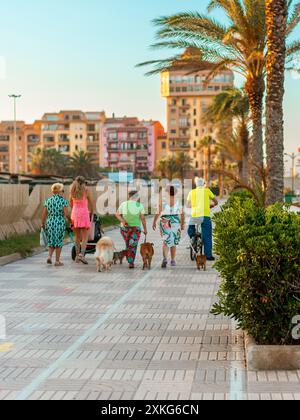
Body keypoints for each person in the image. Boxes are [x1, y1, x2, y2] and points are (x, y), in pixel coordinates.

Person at [152, 186, 185, 268]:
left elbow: (158, 211)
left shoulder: (163, 201)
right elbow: (182, 213)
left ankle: (165, 258)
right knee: (173, 241)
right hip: (175, 222)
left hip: (164, 221)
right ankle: (173, 260)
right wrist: (182, 224)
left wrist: (154, 222)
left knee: (165, 241)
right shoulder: (178, 201)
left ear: (167, 192)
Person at [187, 178, 218, 261]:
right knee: (207, 235)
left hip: (194, 216)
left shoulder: (191, 192)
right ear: (203, 184)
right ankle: (208, 256)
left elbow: (187, 205)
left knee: (190, 229)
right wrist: (212, 205)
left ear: (196, 185)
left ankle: (192, 238)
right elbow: (216, 201)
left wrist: (194, 206)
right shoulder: (207, 191)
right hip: (205, 216)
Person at [116, 191, 147, 269]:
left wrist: (122, 220)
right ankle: (131, 262)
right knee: (132, 246)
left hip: (124, 229)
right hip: (135, 230)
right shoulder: (139, 205)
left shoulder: (124, 204)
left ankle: (129, 258)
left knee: (128, 244)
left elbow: (117, 214)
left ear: (129, 196)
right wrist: (145, 229)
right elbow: (143, 218)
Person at [41, 183, 71, 267]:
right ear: (60, 191)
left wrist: (42, 223)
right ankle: (57, 261)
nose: (63, 192)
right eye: (63, 191)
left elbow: (44, 214)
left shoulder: (48, 201)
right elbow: (66, 214)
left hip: (49, 222)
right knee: (58, 242)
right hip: (59, 222)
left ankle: (49, 257)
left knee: (51, 240)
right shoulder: (63, 201)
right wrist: (70, 221)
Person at [70, 176, 94, 265]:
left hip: (75, 213)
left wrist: (75, 209)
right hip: (84, 213)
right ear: (84, 182)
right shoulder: (86, 190)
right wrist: (92, 211)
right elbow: (91, 202)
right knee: (85, 237)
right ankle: (82, 255)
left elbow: (70, 202)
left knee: (77, 237)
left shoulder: (72, 190)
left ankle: (76, 256)